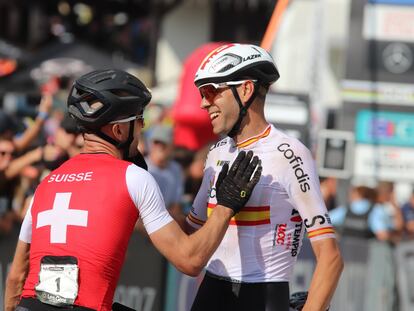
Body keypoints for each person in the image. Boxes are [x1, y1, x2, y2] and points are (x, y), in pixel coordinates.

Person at [4, 69, 262, 311]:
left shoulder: (47, 184)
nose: (143, 128)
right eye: (140, 120)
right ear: (119, 130)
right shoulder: (133, 177)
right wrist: (226, 207)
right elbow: (190, 260)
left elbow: (16, 276)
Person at [186, 43, 343, 311]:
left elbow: (331, 258)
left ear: (245, 90)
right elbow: (190, 233)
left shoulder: (290, 153)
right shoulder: (216, 153)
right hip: (210, 292)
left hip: (262, 295)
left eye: (212, 91)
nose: (203, 103)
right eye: (202, 93)